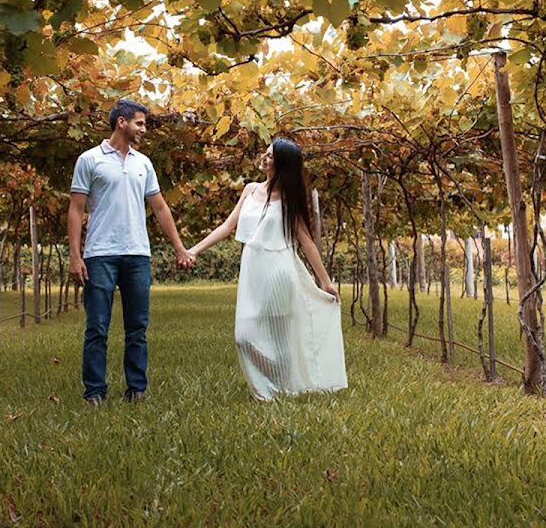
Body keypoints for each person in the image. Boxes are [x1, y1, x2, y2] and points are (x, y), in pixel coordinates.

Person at [189, 138, 348, 401]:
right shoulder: (250, 190)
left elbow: (305, 241)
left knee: (280, 338)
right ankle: (268, 384)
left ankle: (278, 389)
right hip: (253, 271)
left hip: (279, 271)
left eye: (271, 156)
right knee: (244, 335)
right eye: (266, 152)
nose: (264, 157)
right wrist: (194, 249)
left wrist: (325, 281)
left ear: (282, 164)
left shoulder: (288, 199)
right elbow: (228, 227)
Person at [68, 99, 195, 407]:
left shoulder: (143, 163)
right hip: (100, 254)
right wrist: (75, 255)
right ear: (121, 123)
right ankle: (94, 392)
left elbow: (160, 207)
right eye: (140, 123)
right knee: (97, 327)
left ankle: (136, 390)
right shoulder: (90, 159)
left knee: (137, 328)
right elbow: (75, 208)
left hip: (137, 254)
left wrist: (179, 247)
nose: (143, 129)